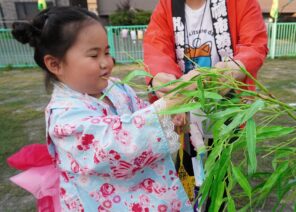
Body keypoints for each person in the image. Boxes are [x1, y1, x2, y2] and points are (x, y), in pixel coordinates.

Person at [8, 6, 199, 211]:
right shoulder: (64, 117)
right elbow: (114, 146)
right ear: (55, 65)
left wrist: (171, 117)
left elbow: (142, 112)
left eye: (107, 52)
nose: (106, 62)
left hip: (149, 195)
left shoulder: (117, 88)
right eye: (94, 55)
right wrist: (164, 110)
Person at [143, 0, 268, 209]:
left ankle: (218, 203)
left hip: (227, 105)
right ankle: (189, 204)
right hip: (185, 109)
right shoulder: (167, 5)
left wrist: (233, 69)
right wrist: (163, 80)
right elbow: (156, 47)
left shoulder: (241, 3)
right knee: (187, 168)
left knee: (220, 167)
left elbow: (254, 44)